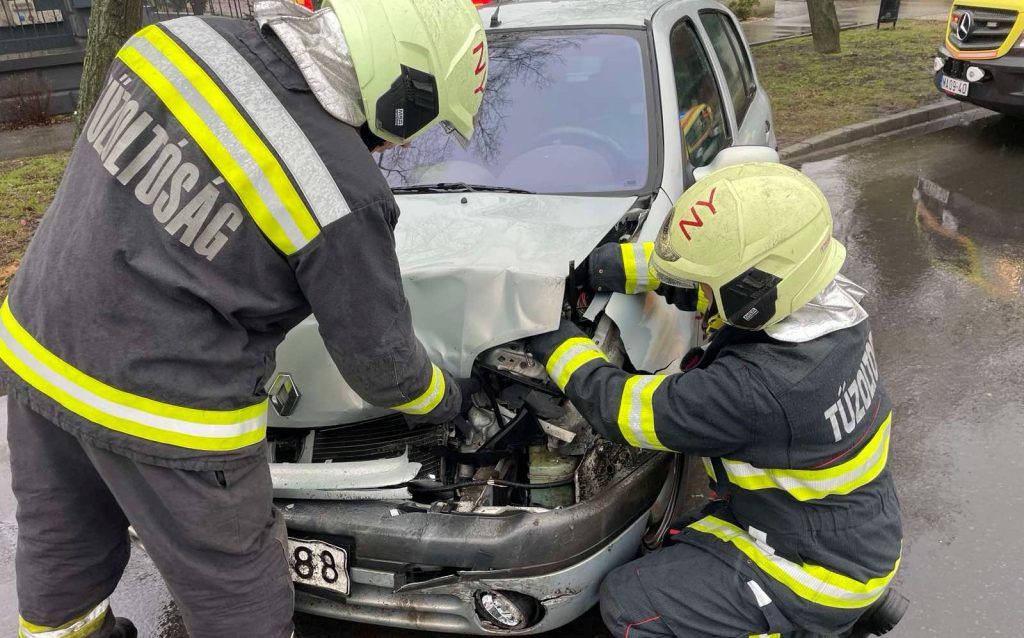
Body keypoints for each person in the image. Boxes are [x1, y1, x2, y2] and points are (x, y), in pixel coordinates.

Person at [0, 1, 487, 636]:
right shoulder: (340, 192)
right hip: (166, 411)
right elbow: (383, 369)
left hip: (36, 353)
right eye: (421, 123)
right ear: (405, 90)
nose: (404, 142)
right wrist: (450, 400)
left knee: (60, 552)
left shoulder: (168, 43)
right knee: (241, 603)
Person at [528, 163, 903, 637]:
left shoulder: (765, 388)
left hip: (816, 575)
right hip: (844, 532)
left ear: (754, 294)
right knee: (675, 539)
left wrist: (551, 337)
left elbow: (619, 408)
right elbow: (717, 282)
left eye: (710, 291)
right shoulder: (828, 304)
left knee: (630, 600)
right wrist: (612, 267)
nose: (701, 298)